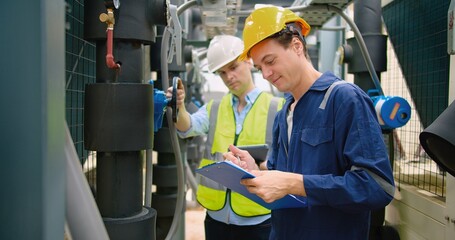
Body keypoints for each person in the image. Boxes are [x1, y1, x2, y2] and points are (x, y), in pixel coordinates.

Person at [223, 6, 396, 240]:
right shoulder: (285, 112)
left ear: (297, 46)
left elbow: (377, 186)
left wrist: (296, 184)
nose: (266, 74)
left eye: (270, 61)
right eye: (260, 67)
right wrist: (254, 171)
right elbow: (280, 175)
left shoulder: (343, 99)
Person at [167, 35, 284, 240]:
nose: (229, 76)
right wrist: (180, 107)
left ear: (248, 61)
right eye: (222, 72)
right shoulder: (214, 108)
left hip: (258, 218)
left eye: (233, 67)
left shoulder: (277, 107)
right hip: (216, 217)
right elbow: (187, 126)